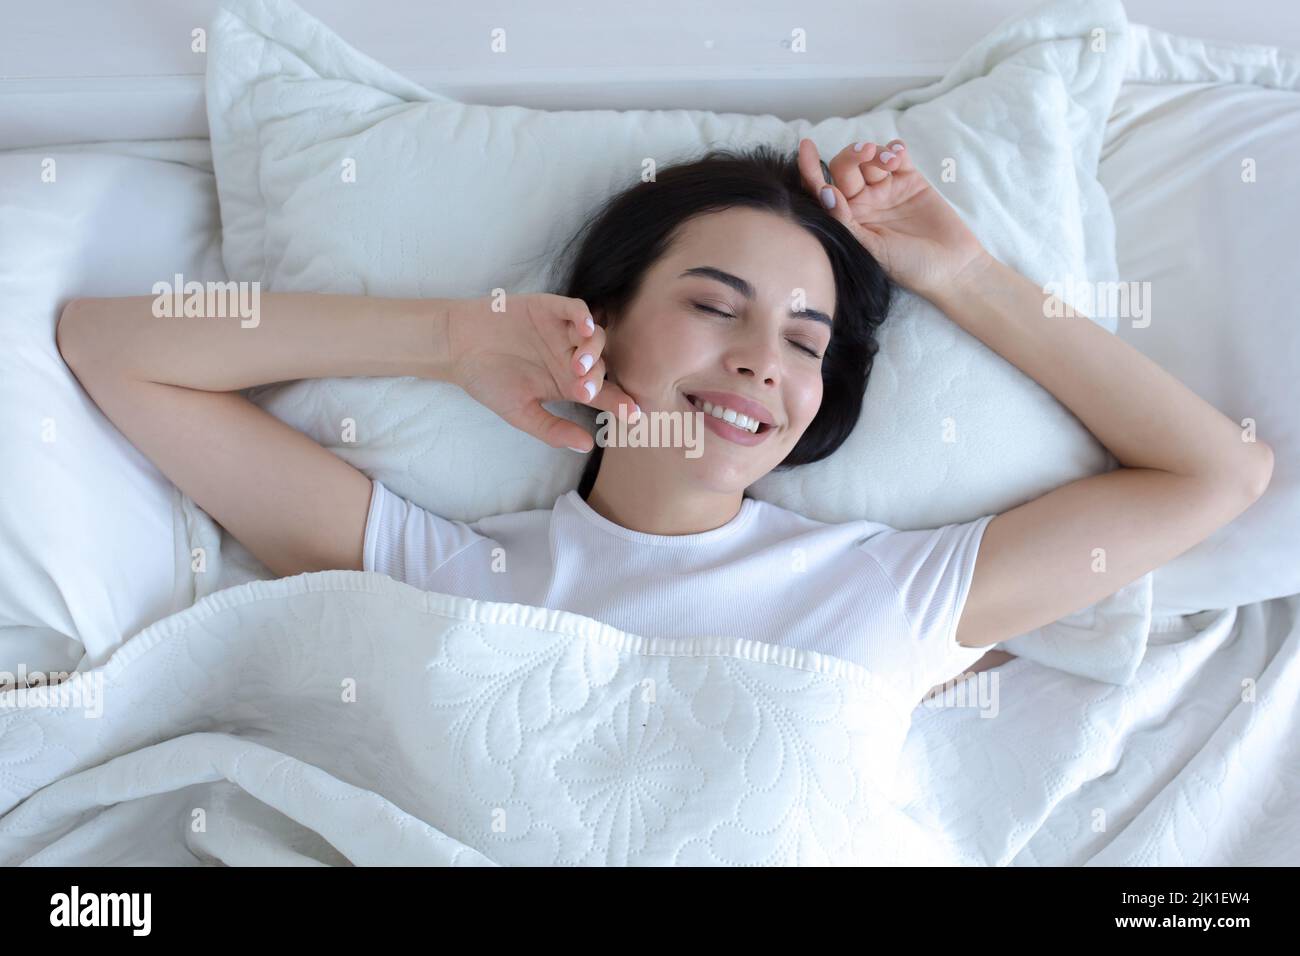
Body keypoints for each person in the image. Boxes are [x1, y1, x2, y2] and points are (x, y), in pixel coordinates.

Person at [56, 137, 1273, 709]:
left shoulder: (891, 591)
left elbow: (1216, 474)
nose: (760, 358)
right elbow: (114, 352)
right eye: (712, 305)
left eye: (805, 341)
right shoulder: (444, 568)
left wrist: (964, 275)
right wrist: (447, 337)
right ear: (605, 321)